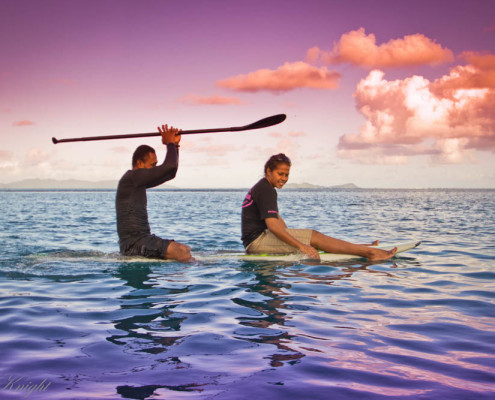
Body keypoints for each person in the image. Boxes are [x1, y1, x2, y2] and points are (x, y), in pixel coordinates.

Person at [241, 153, 397, 261]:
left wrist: (295, 239)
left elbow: (277, 220)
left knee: (311, 237)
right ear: (269, 171)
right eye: (280, 174)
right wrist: (301, 246)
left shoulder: (263, 187)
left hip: (257, 240)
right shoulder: (266, 190)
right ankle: (370, 253)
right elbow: (274, 227)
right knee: (313, 237)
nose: (284, 178)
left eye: (286, 174)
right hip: (257, 243)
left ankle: (356, 247)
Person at [116, 124, 193, 262]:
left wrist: (175, 146)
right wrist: (169, 142)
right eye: (153, 165)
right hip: (134, 245)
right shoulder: (133, 177)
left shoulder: (138, 182)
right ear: (139, 163)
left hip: (142, 240)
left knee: (186, 250)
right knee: (182, 252)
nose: (155, 169)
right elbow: (169, 166)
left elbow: (171, 173)